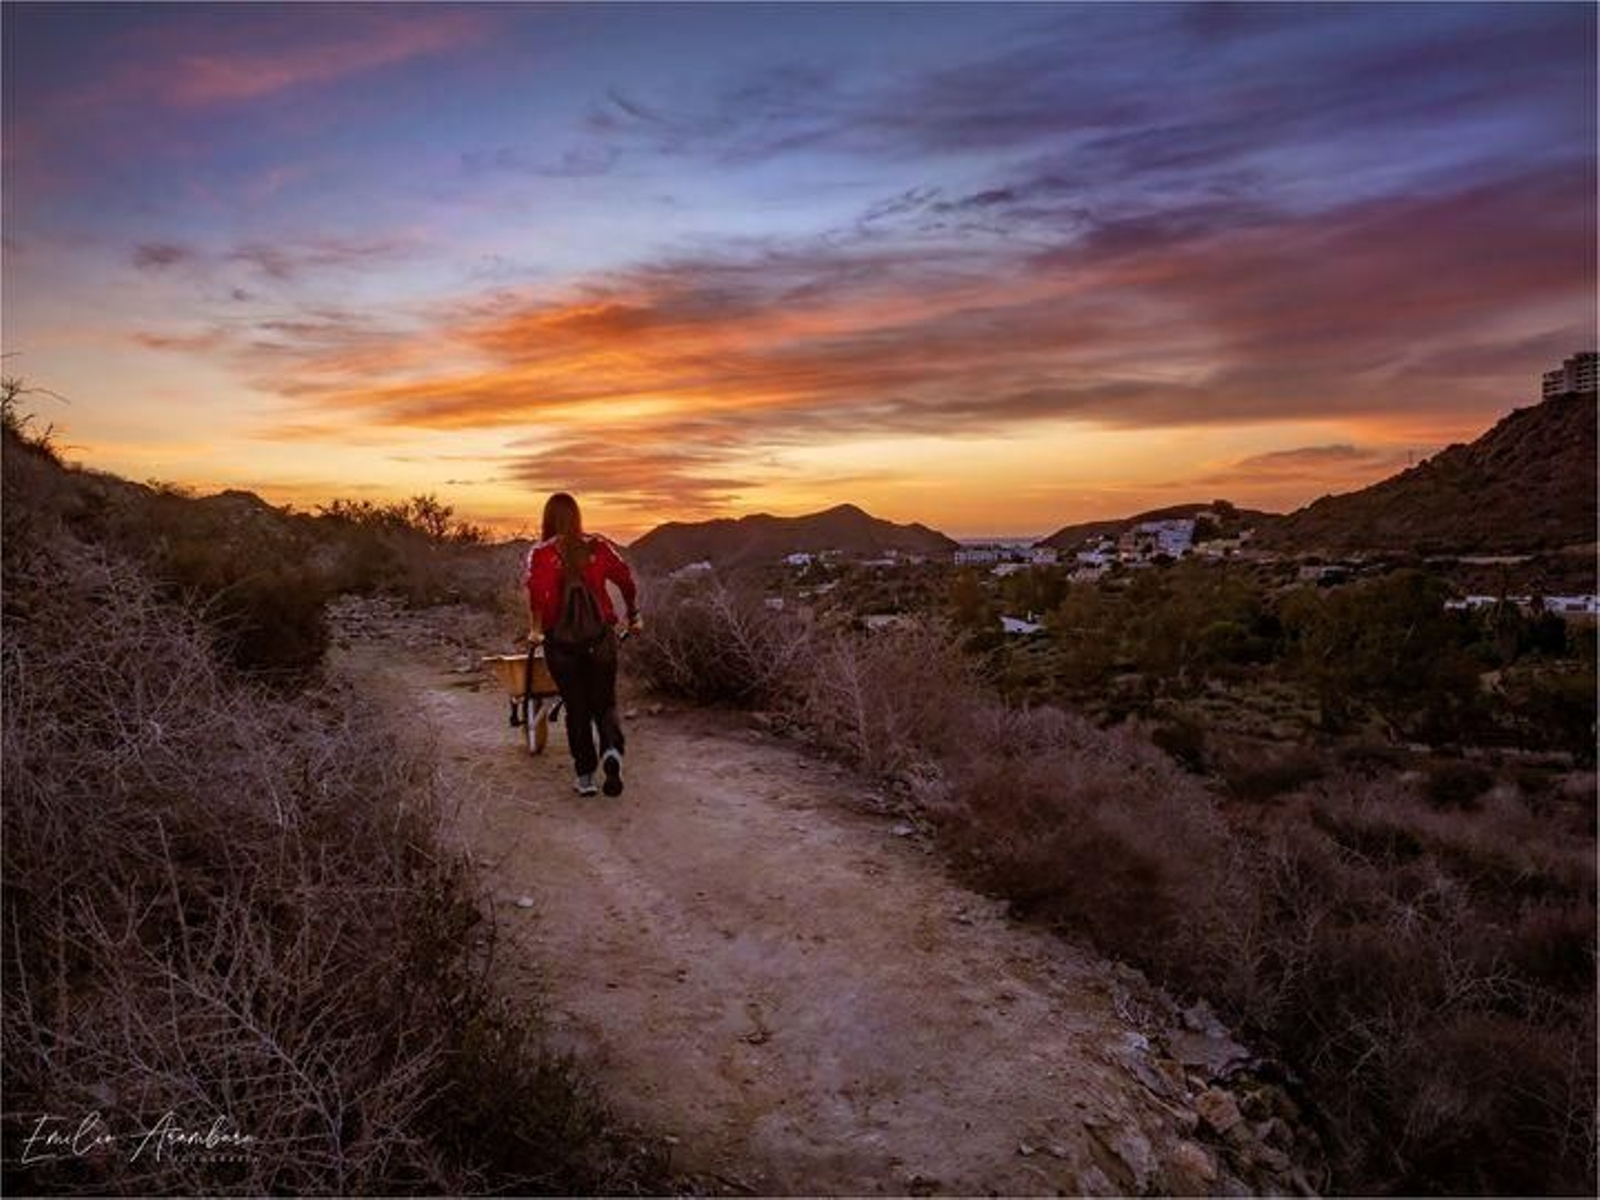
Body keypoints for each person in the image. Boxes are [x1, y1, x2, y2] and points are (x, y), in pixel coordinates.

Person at [525, 492, 641, 796]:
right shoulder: (598, 547)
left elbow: (537, 594)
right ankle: (612, 751)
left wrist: (537, 629)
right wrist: (633, 613)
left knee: (576, 707)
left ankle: (586, 776)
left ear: (548, 519)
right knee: (604, 702)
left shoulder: (542, 554)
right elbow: (626, 580)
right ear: (577, 516)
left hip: (562, 645)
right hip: (601, 639)